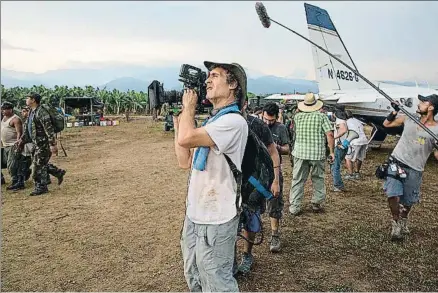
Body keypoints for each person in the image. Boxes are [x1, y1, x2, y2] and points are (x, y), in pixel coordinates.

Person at [174, 61, 248, 292]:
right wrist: (180, 121)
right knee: (194, 275)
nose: (207, 80)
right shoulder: (212, 122)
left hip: (217, 217)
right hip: (196, 214)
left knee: (217, 281)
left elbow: (186, 139)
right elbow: (184, 160)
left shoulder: (233, 122)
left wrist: (189, 109)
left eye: (214, 76)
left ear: (233, 84)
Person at [382, 94, 438, 240]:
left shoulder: (436, 130)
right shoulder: (409, 118)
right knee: (392, 194)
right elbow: (386, 125)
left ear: (431, 107)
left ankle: (403, 219)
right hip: (396, 161)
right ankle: (396, 223)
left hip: (415, 169)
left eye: (423, 102)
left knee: (407, 202)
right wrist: (393, 112)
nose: (419, 104)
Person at [235, 100, 281, 274]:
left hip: (253, 183)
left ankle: (247, 255)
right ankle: (229, 259)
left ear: (244, 104)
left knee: (251, 219)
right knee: (228, 222)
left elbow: (272, 151)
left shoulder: (258, 125)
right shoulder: (218, 122)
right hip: (228, 183)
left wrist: (275, 179)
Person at [289, 93, 335, 215]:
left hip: (300, 152)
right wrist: (331, 152)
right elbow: (329, 134)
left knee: (298, 179)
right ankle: (316, 203)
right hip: (317, 153)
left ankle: (295, 206)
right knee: (318, 178)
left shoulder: (297, 117)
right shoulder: (322, 117)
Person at [18, 93, 66, 196]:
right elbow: (28, 128)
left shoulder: (41, 112)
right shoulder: (31, 112)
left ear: (33, 100)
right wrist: (22, 140)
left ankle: (41, 187)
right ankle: (57, 172)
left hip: (43, 143)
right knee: (40, 163)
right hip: (36, 143)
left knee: (37, 166)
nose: (26, 100)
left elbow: (49, 129)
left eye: (28, 98)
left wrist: (53, 145)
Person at [261, 102, 290, 252]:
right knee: (253, 202)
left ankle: (274, 235)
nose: (267, 123)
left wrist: (275, 147)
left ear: (276, 118)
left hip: (274, 172)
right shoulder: (257, 126)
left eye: (271, 120)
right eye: (265, 119)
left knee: (274, 201)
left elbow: (287, 148)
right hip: (257, 172)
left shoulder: (281, 128)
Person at [1, 102, 24, 190]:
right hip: (4, 145)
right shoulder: (4, 118)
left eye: (4, 109)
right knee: (6, 164)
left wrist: (18, 144)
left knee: (12, 165)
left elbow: (19, 132)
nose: (2, 111)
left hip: (12, 145)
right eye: (2, 109)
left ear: (10, 109)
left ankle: (17, 182)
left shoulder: (15, 119)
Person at [344, 110, 369, 180]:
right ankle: (357, 173)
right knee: (359, 158)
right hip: (364, 140)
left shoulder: (346, 122)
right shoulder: (357, 120)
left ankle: (350, 174)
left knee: (348, 158)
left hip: (355, 141)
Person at [331, 106, 348, 192]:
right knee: (335, 165)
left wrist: (335, 137)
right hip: (344, 145)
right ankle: (338, 183)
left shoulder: (339, 121)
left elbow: (344, 130)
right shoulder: (344, 119)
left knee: (335, 166)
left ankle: (338, 185)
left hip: (339, 146)